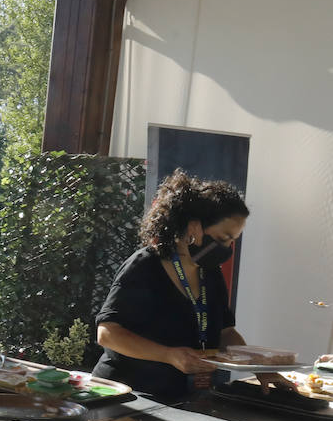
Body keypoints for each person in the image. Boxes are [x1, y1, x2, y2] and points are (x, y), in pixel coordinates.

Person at [94, 170, 285, 401]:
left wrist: (260, 369)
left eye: (233, 240)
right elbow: (108, 334)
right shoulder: (146, 266)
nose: (228, 248)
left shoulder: (210, 272)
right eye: (224, 239)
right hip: (128, 397)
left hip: (181, 398)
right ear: (194, 227)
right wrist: (169, 355)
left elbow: (225, 333)